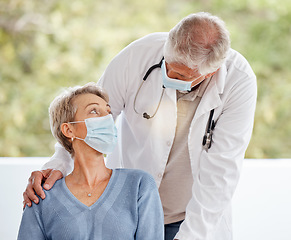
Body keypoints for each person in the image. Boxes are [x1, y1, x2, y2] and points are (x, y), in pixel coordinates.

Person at [23, 12, 257, 240]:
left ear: (210, 72)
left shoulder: (239, 81)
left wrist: (191, 236)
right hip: (127, 211)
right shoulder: (137, 56)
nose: (168, 74)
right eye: (168, 64)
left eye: (180, 75)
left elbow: (221, 171)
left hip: (190, 216)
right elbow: (85, 116)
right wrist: (58, 164)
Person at [18, 83, 164, 240]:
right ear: (69, 130)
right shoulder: (42, 196)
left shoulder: (139, 185)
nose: (107, 118)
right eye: (94, 111)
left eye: (108, 112)